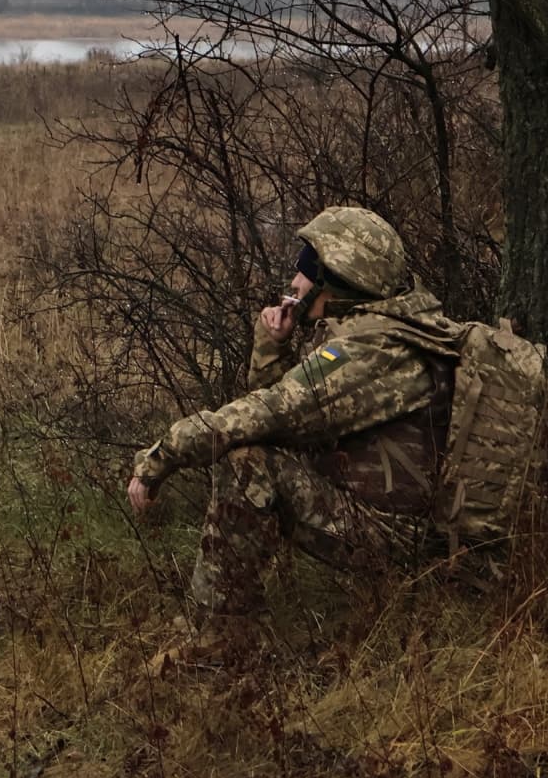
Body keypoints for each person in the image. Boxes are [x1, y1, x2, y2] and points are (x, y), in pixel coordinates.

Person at [127, 206, 460, 629]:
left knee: (248, 464)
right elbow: (286, 419)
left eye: (308, 268)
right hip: (400, 524)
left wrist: (159, 458)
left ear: (341, 279)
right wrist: (273, 344)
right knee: (254, 454)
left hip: (398, 539)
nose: (296, 282)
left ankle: (221, 638)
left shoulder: (372, 353)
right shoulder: (393, 330)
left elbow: (266, 415)